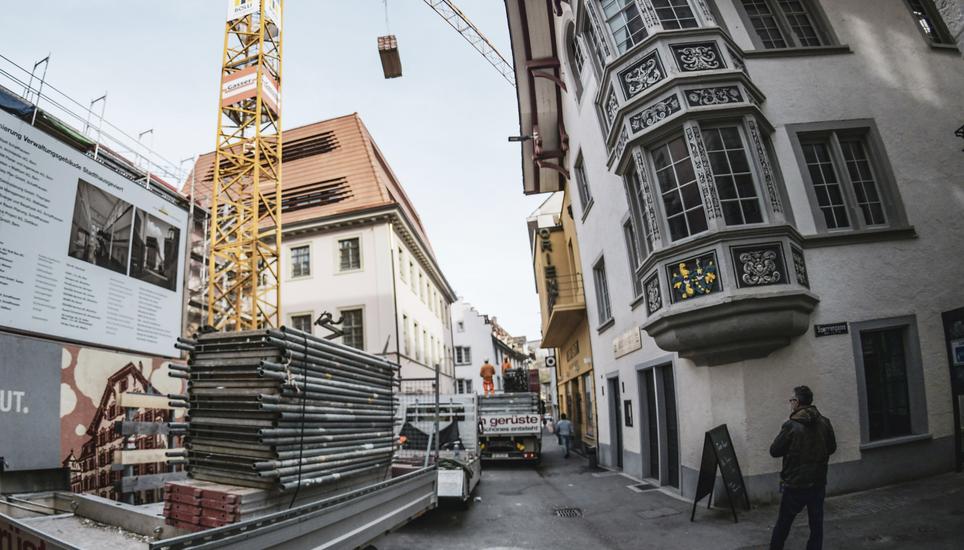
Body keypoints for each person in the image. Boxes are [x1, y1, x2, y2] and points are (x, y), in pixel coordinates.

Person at [768, 385, 836, 550]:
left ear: (797, 402)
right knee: (816, 524)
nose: (790, 403)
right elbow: (832, 448)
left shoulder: (791, 426)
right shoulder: (824, 422)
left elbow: (774, 451)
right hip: (818, 482)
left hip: (795, 484)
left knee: (783, 524)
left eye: (791, 400)